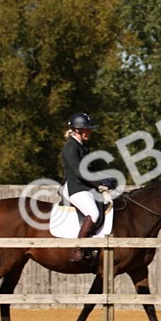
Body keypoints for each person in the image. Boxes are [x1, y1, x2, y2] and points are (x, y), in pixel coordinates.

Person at [62, 112, 103, 263]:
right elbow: (80, 172)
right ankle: (77, 249)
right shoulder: (70, 148)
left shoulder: (83, 147)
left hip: (86, 187)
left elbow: (91, 170)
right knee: (93, 213)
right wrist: (99, 183)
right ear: (77, 130)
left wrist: (105, 179)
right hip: (76, 188)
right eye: (87, 129)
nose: (89, 132)